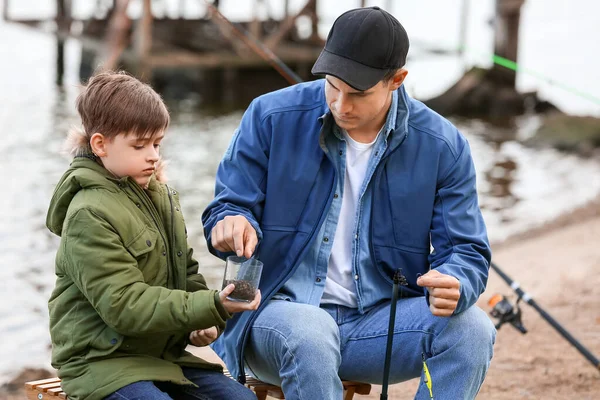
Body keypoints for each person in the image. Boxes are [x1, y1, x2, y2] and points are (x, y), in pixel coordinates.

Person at [202, 6, 496, 400]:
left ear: (396, 80)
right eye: (332, 86)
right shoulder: (269, 116)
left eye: (356, 94)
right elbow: (227, 206)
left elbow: (466, 250)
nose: (340, 105)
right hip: (272, 315)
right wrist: (230, 221)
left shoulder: (444, 145)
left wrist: (458, 281)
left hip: (377, 326)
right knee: (311, 331)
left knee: (473, 330)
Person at [46, 71, 260, 400]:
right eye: (140, 145)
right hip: (101, 364)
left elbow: (186, 273)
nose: (153, 155)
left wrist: (207, 322)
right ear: (100, 144)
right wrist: (212, 304)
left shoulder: (162, 198)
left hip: (161, 357)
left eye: (157, 143)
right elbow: (126, 306)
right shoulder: (88, 214)